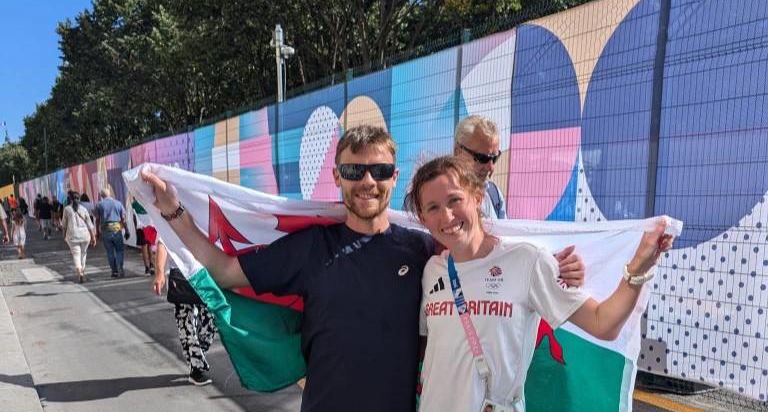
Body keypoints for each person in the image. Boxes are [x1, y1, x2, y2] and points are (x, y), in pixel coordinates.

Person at [141, 125, 585, 412]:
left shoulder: (423, 250)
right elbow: (224, 271)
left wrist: (560, 265)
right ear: (337, 177)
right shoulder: (310, 247)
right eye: (354, 170)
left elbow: (485, 253)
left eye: (379, 169)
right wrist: (174, 213)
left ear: (394, 178)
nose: (367, 180)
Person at [403, 156, 674, 412]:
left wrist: (638, 269)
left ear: (477, 198)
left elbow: (603, 323)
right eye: (433, 208)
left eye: (454, 200)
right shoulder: (432, 270)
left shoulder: (526, 261)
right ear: (423, 218)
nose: (447, 216)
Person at [152, 241, 216, 386]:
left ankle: (196, 359)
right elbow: (162, 244)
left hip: (204, 275)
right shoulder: (169, 218)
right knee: (187, 325)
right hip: (181, 277)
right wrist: (160, 273)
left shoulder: (206, 218)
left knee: (211, 322)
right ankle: (196, 369)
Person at [454, 115, 506, 219]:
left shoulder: (494, 194)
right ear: (458, 152)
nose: (491, 168)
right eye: (482, 158)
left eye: (495, 158)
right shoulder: (434, 195)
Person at [62, 192, 97, 283]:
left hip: (72, 235)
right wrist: (93, 237)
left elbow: (64, 225)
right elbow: (90, 224)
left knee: (76, 254)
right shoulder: (84, 209)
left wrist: (64, 235)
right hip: (85, 235)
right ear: (79, 200)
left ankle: (79, 270)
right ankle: (82, 270)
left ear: (71, 199)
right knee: (83, 253)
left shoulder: (67, 209)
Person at [95, 187, 129, 278]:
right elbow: (123, 219)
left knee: (109, 252)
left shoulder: (98, 205)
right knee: (119, 250)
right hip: (117, 230)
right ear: (110, 194)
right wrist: (126, 230)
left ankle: (114, 271)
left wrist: (97, 231)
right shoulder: (118, 203)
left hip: (105, 231)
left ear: (101, 196)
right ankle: (119, 265)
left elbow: (97, 219)